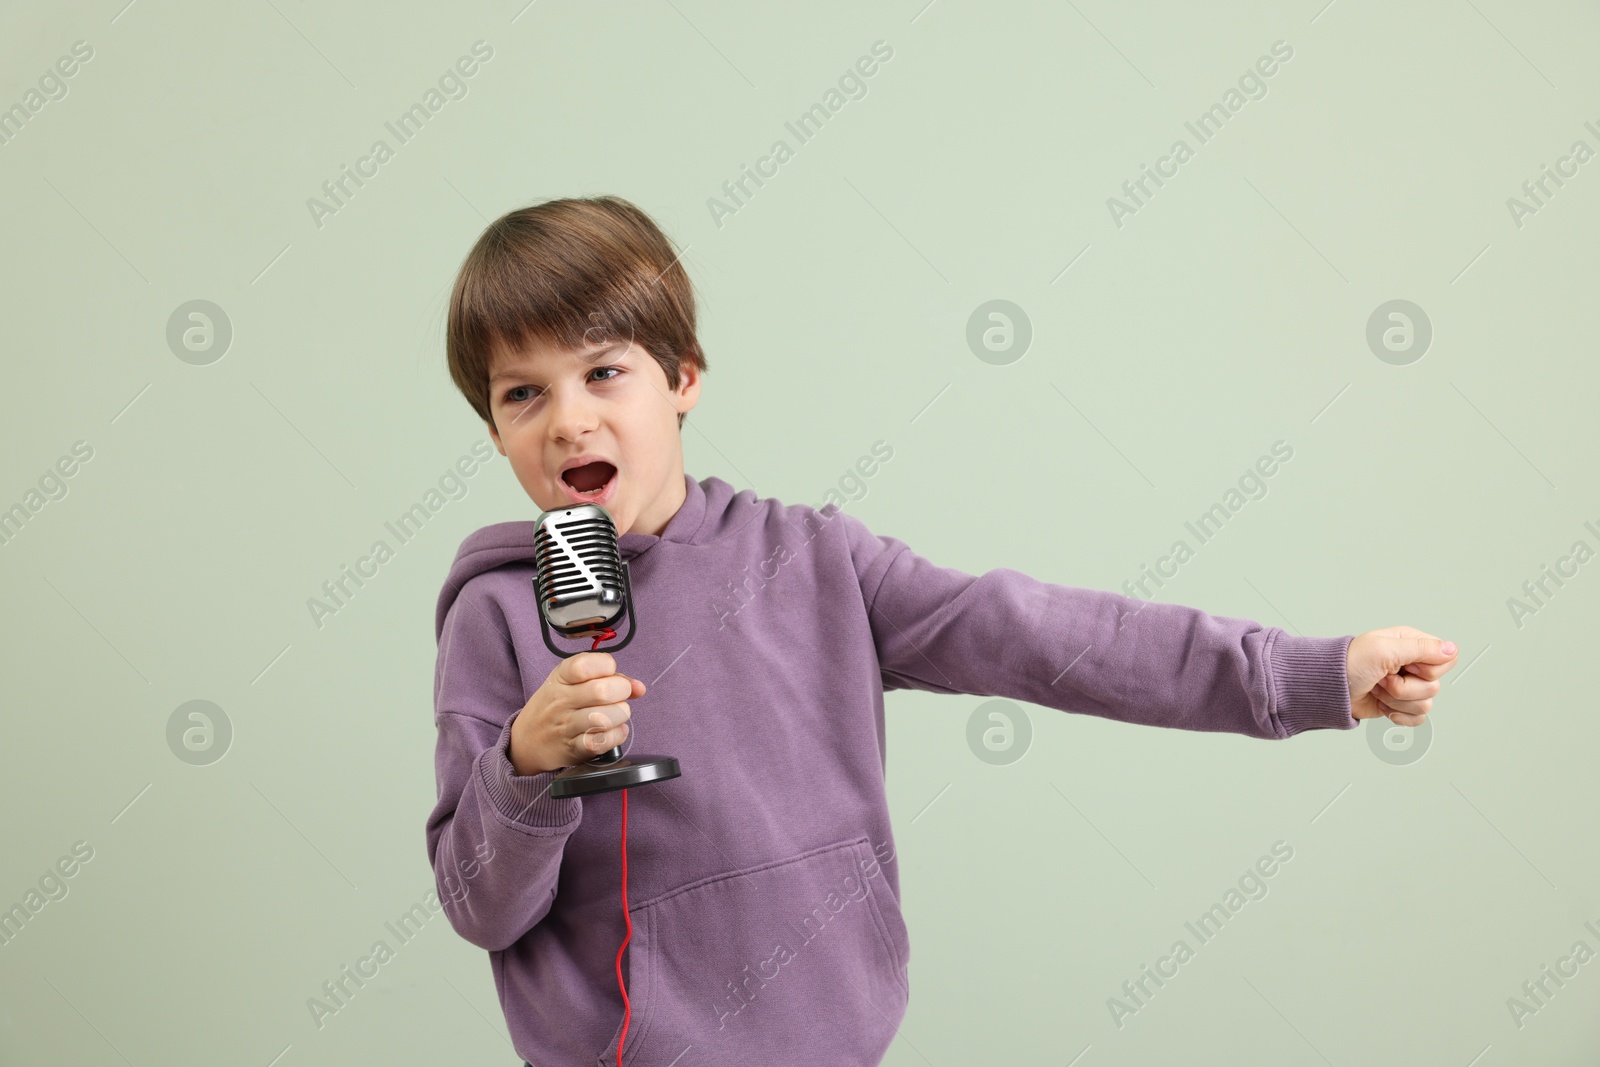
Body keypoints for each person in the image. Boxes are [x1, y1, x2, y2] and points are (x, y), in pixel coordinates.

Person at [425, 195, 1458, 1067]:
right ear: (494, 429)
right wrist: (525, 765)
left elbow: (1042, 634)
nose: (567, 420)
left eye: (603, 372)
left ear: (683, 377)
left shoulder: (814, 562)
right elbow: (480, 907)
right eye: (524, 394)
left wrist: (1304, 674)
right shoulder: (497, 613)